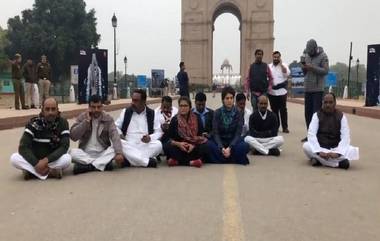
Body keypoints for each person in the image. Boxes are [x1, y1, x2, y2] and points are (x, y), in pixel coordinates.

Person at [10, 98, 71, 180]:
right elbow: (23, 147)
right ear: (42, 110)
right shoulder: (33, 123)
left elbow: (64, 146)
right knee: (14, 158)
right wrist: (36, 163)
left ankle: (32, 172)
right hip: (34, 159)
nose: (50, 112)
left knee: (67, 159)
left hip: (51, 160)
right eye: (47, 109)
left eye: (53, 109)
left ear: (57, 110)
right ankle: (51, 172)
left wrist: (45, 161)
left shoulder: (63, 123)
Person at [69, 95, 124, 175]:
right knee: (71, 153)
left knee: (113, 150)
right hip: (86, 153)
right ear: (89, 107)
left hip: (102, 152)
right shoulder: (82, 117)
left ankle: (88, 167)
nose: (96, 110)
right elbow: (73, 136)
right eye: (93, 107)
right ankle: (101, 164)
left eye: (98, 107)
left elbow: (115, 135)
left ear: (102, 107)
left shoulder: (108, 119)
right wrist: (86, 122)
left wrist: (119, 153)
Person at [303, 93, 359, 169]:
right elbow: (311, 134)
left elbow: (345, 137)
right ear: (322, 103)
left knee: (351, 150)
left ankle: (319, 161)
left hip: (335, 149)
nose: (328, 105)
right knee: (306, 146)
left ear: (335, 103)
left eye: (330, 102)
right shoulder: (316, 115)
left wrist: (338, 153)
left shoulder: (341, 116)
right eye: (325, 102)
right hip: (321, 148)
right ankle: (338, 164)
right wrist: (319, 151)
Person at [115, 89, 162, 168]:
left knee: (158, 145)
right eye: (132, 100)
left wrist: (150, 138)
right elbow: (115, 127)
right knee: (118, 143)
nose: (132, 103)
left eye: (136, 100)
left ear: (144, 101)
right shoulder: (125, 112)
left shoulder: (152, 113)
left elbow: (159, 132)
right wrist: (120, 134)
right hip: (129, 144)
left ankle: (130, 161)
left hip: (144, 145)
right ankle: (147, 162)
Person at [207, 86, 250, 165]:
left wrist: (230, 148)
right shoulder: (217, 113)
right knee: (208, 145)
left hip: (233, 142)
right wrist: (222, 148)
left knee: (245, 146)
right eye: (227, 98)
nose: (229, 100)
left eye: (231, 98)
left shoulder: (238, 113)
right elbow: (216, 133)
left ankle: (221, 159)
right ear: (223, 100)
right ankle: (232, 159)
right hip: (220, 142)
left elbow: (238, 133)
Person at [163, 96, 209, 168]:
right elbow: (168, 138)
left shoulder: (196, 118)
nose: (183, 108)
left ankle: (178, 161)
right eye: (181, 106)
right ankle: (191, 162)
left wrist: (193, 145)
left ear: (190, 107)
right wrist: (178, 144)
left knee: (206, 146)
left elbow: (200, 136)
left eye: (185, 106)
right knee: (167, 146)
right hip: (179, 147)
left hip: (193, 146)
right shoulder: (175, 120)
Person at [301, 39, 329, 142]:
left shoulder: (323, 56)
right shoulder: (307, 55)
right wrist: (304, 67)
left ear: (315, 48)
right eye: (308, 51)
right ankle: (309, 134)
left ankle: (316, 136)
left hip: (317, 89)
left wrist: (312, 67)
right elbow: (304, 73)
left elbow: (325, 71)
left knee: (315, 114)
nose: (309, 53)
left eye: (310, 51)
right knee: (307, 113)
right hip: (307, 88)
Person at [268, 51, 290, 133]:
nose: (276, 58)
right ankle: (276, 127)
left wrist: (281, 65)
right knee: (274, 110)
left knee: (283, 110)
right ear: (272, 57)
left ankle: (285, 127)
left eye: (277, 57)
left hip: (282, 91)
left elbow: (287, 74)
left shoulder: (284, 65)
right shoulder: (269, 66)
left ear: (280, 58)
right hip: (272, 91)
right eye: (274, 57)